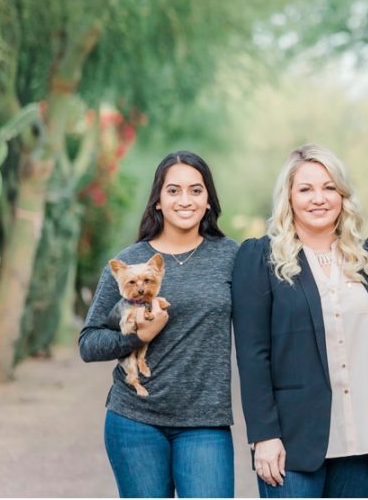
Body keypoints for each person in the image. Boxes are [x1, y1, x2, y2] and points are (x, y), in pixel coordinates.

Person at [231, 144, 368, 498]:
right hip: (292, 443)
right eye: (305, 189)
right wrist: (263, 436)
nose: (318, 198)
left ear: (342, 195)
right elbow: (253, 356)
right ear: (288, 198)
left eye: (329, 187)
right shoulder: (260, 259)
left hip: (358, 439)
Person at [79, 151, 239, 498]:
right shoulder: (127, 263)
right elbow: (88, 343)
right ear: (158, 202)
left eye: (196, 191)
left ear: (209, 201)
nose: (185, 200)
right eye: (173, 190)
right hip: (134, 421)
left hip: (205, 423)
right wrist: (135, 337)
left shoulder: (231, 257)